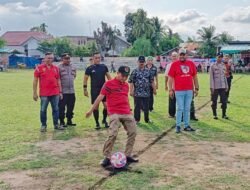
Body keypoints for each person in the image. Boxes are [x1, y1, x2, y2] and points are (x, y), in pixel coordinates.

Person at [86, 66, 138, 167]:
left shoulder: (126, 85)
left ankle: (127, 155)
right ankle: (107, 156)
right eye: (122, 75)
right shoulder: (108, 84)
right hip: (114, 113)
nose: (124, 78)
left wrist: (129, 110)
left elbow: (125, 98)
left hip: (126, 112)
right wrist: (91, 110)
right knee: (113, 134)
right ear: (117, 73)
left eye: (126, 76)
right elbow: (100, 97)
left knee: (133, 132)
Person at [168, 49, 199, 133]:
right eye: (180, 55)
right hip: (178, 90)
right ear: (178, 55)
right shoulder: (174, 64)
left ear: (186, 55)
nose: (182, 56)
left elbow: (195, 77)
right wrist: (170, 89)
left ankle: (186, 125)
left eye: (183, 55)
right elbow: (170, 78)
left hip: (189, 90)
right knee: (180, 108)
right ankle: (178, 125)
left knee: (187, 108)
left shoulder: (191, 64)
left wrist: (196, 88)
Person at [33, 52, 64, 132]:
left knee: (56, 109)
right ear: (45, 59)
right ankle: (43, 125)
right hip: (44, 94)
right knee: (43, 109)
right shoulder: (39, 68)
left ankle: (56, 125)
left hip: (55, 92)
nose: (50, 59)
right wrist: (34, 93)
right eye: (48, 58)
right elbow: (35, 80)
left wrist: (60, 92)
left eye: (51, 58)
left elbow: (58, 80)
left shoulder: (56, 68)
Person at [83, 52, 112, 129]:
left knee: (106, 106)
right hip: (94, 90)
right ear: (93, 58)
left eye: (99, 58)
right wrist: (85, 89)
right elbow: (85, 79)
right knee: (95, 107)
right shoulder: (89, 68)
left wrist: (113, 86)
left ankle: (104, 120)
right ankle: (97, 123)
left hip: (104, 90)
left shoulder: (104, 67)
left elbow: (109, 78)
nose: (98, 59)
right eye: (96, 58)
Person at [129, 56, 156, 124]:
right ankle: (136, 120)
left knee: (146, 108)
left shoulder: (148, 71)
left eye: (143, 62)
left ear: (145, 62)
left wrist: (154, 89)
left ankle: (147, 119)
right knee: (137, 107)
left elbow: (152, 81)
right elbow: (131, 81)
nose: (141, 63)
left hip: (146, 93)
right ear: (137, 62)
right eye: (140, 62)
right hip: (137, 93)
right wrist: (131, 90)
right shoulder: (134, 71)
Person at [58, 53, 77, 127]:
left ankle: (69, 120)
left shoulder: (73, 66)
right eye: (66, 58)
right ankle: (62, 122)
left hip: (71, 91)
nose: (68, 60)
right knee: (61, 107)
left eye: (68, 58)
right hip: (63, 91)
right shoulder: (58, 67)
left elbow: (74, 75)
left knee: (71, 107)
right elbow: (57, 79)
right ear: (62, 59)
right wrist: (60, 91)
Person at [210, 52, 229, 120]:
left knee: (224, 101)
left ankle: (224, 114)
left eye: (221, 57)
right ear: (216, 57)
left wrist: (226, 85)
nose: (220, 58)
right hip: (215, 87)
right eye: (219, 57)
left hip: (223, 86)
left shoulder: (223, 65)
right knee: (214, 101)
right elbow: (211, 78)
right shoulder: (212, 65)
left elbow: (224, 77)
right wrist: (212, 87)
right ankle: (214, 114)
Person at [165, 52, 178, 118]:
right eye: (173, 56)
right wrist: (166, 85)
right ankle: (171, 114)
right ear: (171, 57)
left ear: (177, 57)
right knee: (172, 100)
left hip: (179, 87)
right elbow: (166, 76)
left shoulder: (180, 65)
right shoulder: (169, 65)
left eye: (175, 56)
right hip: (172, 86)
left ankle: (180, 114)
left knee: (180, 101)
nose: (174, 57)